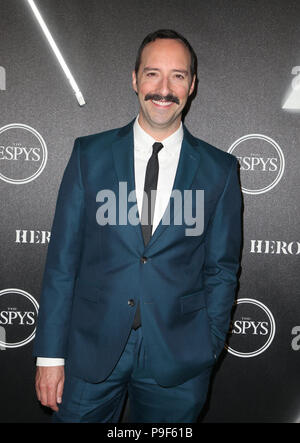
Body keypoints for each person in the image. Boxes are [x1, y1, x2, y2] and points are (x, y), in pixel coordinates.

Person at [33, 29, 242, 423]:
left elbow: (222, 268)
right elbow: (62, 262)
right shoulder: (88, 156)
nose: (164, 89)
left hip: (179, 358)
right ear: (134, 79)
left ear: (192, 85)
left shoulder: (220, 170)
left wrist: (208, 345)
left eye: (178, 76)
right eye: (152, 74)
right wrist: (50, 354)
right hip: (89, 352)